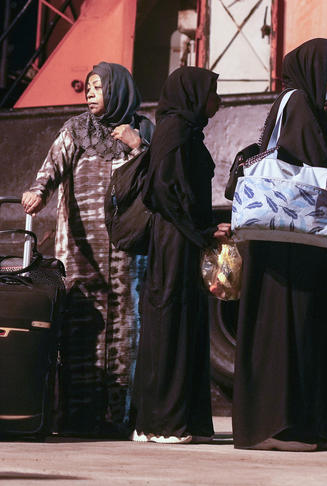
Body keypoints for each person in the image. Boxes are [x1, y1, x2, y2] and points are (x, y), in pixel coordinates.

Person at [232, 40, 327, 451]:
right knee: (291, 326)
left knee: (278, 326)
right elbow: (319, 161)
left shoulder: (291, 101)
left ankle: (278, 425)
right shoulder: (299, 105)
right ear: (315, 73)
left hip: (281, 240)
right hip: (294, 242)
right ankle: (284, 426)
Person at [22, 62, 153, 437]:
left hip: (127, 249)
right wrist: (38, 192)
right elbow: (51, 170)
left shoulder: (141, 130)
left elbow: (159, 175)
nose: (91, 93)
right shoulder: (76, 130)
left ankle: (117, 417)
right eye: (89, 87)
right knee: (82, 327)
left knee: (125, 329)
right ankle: (76, 417)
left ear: (119, 90)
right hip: (82, 249)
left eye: (99, 87)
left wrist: (137, 145)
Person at [132, 66, 227, 444]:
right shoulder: (174, 131)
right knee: (170, 321)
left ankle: (183, 419)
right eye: (212, 93)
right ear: (193, 94)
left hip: (184, 238)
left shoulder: (187, 131)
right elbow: (165, 193)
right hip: (174, 240)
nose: (218, 101)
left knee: (184, 322)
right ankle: (161, 423)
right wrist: (202, 231)